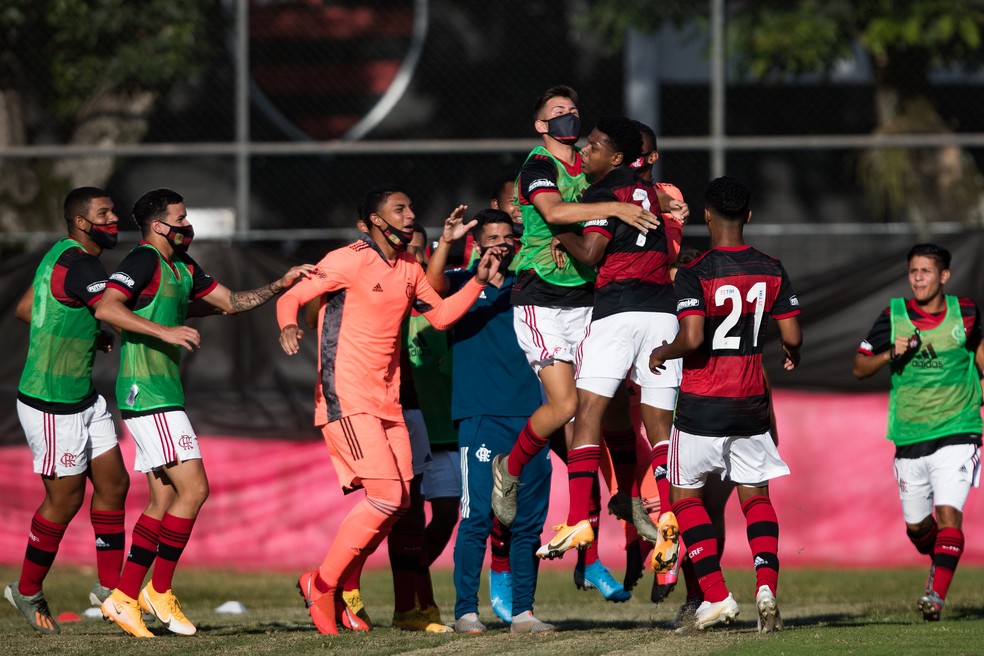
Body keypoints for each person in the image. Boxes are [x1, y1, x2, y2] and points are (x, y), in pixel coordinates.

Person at [279, 184, 503, 635]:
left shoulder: (408, 267)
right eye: (398, 209)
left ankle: (333, 584)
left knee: (399, 502)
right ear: (374, 221)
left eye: (410, 207)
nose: (408, 214)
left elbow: (439, 316)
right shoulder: (347, 259)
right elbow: (292, 297)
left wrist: (478, 281)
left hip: (388, 401)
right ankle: (322, 585)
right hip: (347, 396)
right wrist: (287, 324)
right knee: (385, 497)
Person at [94, 188, 313, 638]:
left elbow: (231, 302)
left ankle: (125, 595)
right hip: (147, 392)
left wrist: (279, 285)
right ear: (158, 226)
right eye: (180, 218)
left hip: (161, 393)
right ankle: (155, 589)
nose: (186, 226)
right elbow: (107, 307)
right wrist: (166, 331)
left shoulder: (182, 266)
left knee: (163, 500)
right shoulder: (143, 261)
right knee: (195, 490)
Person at [490, 85, 666, 531]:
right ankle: (508, 470)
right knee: (567, 404)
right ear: (541, 125)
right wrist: (617, 209)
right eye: (558, 111)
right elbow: (552, 210)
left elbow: (625, 191)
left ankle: (625, 497)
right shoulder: (539, 165)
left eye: (573, 110)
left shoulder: (590, 166)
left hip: (588, 300)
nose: (569, 116)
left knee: (612, 408)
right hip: (541, 299)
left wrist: (665, 201)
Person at [649, 176, 801, 633]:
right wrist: (793, 352)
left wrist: (662, 351)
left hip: (702, 404)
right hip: (751, 402)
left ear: (707, 215)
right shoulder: (772, 267)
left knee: (685, 498)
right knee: (755, 497)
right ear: (749, 216)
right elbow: (791, 335)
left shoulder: (698, 271)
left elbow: (693, 338)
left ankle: (716, 596)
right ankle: (767, 586)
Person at [536, 117, 682, 582]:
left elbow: (593, 254)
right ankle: (671, 519)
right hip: (661, 313)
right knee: (660, 427)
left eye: (595, 146)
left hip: (618, 312)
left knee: (587, 414)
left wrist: (558, 232)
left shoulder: (608, 191)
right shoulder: (650, 192)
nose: (587, 151)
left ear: (616, 157)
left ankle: (579, 518)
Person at [5, 187, 129, 635]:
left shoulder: (60, 253)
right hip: (51, 403)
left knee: (114, 484)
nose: (113, 218)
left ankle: (113, 591)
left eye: (113, 211)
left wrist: (84, 335)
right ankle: (27, 589)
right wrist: (163, 329)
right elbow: (112, 309)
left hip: (83, 396)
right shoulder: (81, 264)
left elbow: (26, 309)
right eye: (104, 213)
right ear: (81, 222)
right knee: (66, 499)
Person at [427, 208, 554, 634]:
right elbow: (430, 289)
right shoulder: (462, 283)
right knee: (477, 515)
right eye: (492, 236)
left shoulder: (528, 287)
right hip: (480, 415)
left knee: (527, 519)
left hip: (531, 416)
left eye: (507, 236)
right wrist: (446, 244)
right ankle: (466, 610)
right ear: (477, 243)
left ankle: (523, 612)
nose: (501, 242)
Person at [853, 243, 983, 622]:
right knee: (918, 529)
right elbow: (860, 368)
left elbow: (981, 356)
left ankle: (935, 597)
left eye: (926, 271)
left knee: (948, 514)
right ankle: (941, 558)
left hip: (959, 430)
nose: (918, 278)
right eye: (913, 271)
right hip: (909, 435)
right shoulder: (893, 316)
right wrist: (889, 354)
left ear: (944, 276)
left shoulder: (968, 313)